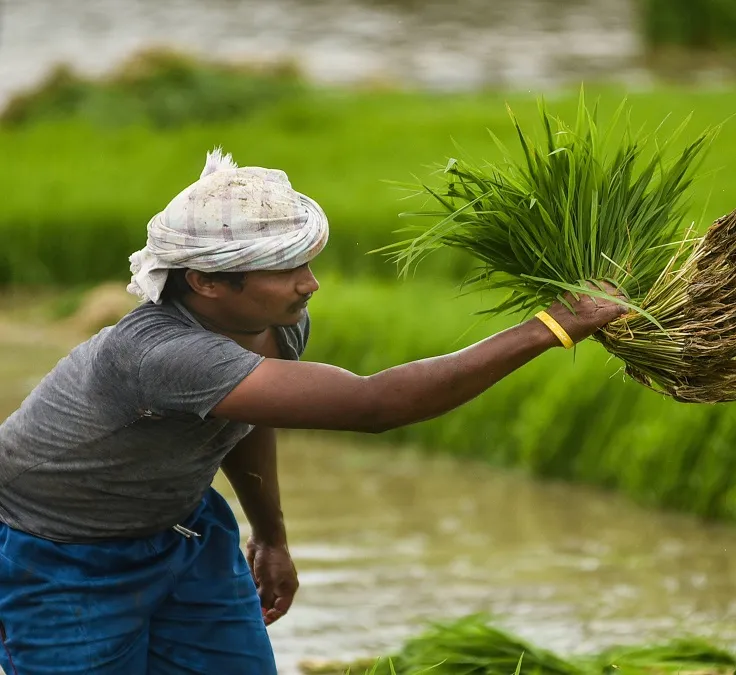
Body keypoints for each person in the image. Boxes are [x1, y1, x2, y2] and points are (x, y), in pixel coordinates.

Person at [0, 149, 627, 675]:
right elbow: (374, 404)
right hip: (59, 558)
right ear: (208, 282)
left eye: (305, 261)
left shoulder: (272, 321)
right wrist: (551, 327)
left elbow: (240, 418)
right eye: (284, 268)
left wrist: (270, 535)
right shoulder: (160, 353)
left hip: (183, 531)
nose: (310, 283)